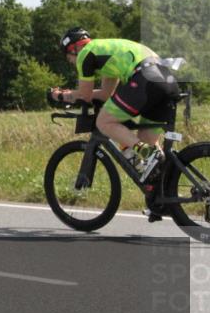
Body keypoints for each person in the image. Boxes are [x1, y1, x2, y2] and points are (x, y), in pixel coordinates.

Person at [50, 28, 181, 220]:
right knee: (148, 149)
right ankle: (161, 199)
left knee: (104, 121)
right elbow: (104, 94)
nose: (71, 62)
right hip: (165, 80)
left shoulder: (85, 54)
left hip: (145, 78)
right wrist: (74, 94)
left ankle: (149, 153)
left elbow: (85, 95)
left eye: (68, 57)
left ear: (73, 48)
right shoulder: (105, 54)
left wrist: (61, 96)